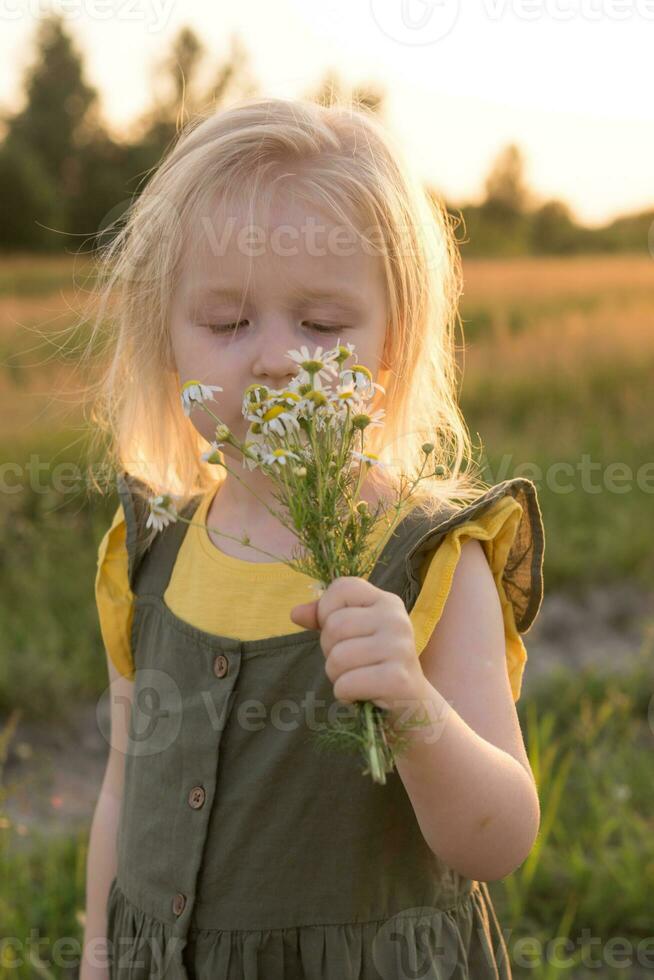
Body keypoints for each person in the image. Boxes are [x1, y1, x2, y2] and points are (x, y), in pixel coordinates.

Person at [80, 96, 545, 979]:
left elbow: (500, 839)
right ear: (168, 342)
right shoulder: (151, 549)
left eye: (323, 328)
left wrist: (412, 708)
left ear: (390, 350)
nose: (275, 360)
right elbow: (121, 790)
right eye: (226, 323)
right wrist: (99, 958)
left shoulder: (431, 556)